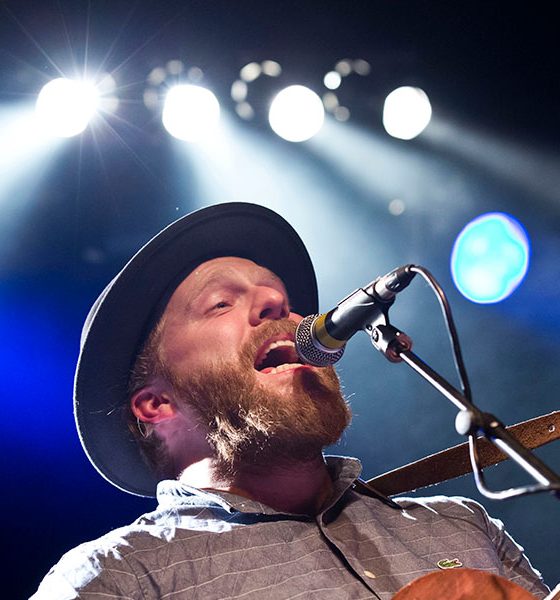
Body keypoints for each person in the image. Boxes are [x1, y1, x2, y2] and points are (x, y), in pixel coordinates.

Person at [32, 202, 550, 599]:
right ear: (156, 406)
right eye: (220, 304)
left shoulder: (461, 524)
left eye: (279, 295)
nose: (278, 303)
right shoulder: (121, 578)